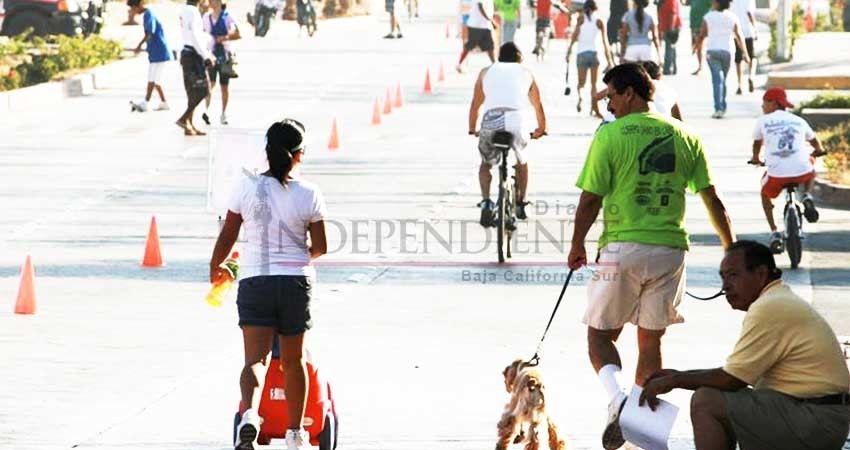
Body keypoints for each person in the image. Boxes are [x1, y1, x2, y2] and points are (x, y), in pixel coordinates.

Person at [566, 63, 735, 450]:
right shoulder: (685, 134)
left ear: (629, 93)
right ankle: (640, 422)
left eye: (610, 96)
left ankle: (617, 398)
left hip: (622, 248)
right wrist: (731, 250)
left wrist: (577, 244)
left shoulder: (609, 136)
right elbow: (712, 199)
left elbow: (590, 198)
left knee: (599, 335)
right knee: (651, 340)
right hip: (670, 251)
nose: (607, 105)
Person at [640, 240, 850, 450]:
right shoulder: (777, 299)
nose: (725, 287)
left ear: (760, 273)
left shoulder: (770, 307)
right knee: (727, 400)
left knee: (706, 401)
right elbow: (734, 375)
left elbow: (731, 380)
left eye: (733, 275)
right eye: (723, 277)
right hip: (817, 415)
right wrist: (677, 375)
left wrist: (675, 380)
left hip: (816, 420)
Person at [210, 119, 328, 450]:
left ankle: (249, 414)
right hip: (294, 283)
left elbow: (228, 234)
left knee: (255, 361)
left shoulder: (245, 187)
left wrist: (215, 268)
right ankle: (295, 434)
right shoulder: (309, 193)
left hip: (255, 280)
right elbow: (320, 247)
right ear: (299, 155)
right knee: (293, 362)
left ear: (267, 152)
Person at [468, 42, 547, 225]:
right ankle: (521, 202)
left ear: (499, 58)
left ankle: (487, 202)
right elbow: (537, 104)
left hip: (491, 120)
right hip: (516, 120)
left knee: (486, 163)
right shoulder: (526, 72)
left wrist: (473, 128)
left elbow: (476, 104)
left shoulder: (486, 72)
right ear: (519, 58)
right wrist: (541, 128)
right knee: (522, 160)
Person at [749, 87, 827, 252]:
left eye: (764, 102)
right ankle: (807, 196)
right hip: (802, 172)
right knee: (811, 164)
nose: (762, 106)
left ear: (773, 103)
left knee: (764, 193)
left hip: (776, 175)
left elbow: (757, 143)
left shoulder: (763, 121)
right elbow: (814, 141)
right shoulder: (798, 120)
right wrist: (819, 150)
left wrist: (756, 158)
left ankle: (774, 232)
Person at [697, 0, 749, 118]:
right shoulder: (732, 17)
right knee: (722, 80)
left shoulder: (708, 17)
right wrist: (745, 53)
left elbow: (702, 35)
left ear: (717, 3)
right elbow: (739, 36)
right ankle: (722, 106)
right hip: (727, 52)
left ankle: (718, 108)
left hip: (712, 52)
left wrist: (696, 47)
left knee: (717, 80)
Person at [566, 0, 614, 117]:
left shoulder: (580, 19)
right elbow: (605, 42)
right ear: (596, 9)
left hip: (581, 54)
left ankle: (581, 97)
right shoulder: (599, 21)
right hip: (594, 54)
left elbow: (575, 35)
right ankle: (594, 108)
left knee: (581, 83)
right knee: (594, 84)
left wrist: (569, 51)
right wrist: (610, 61)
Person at [177, 0, 214, 136]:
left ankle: (189, 125)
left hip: (187, 52)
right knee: (205, 89)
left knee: (192, 91)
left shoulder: (185, 10)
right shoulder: (193, 11)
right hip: (194, 54)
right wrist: (206, 56)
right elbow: (195, 35)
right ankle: (184, 118)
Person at [129, 0, 172, 113]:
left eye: (133, 9)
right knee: (156, 79)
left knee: (151, 77)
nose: (132, 12)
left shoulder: (149, 14)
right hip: (156, 50)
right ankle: (164, 102)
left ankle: (145, 102)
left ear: (137, 6)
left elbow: (149, 33)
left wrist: (139, 45)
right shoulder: (147, 14)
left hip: (158, 50)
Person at [202, 0, 240, 126]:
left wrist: (224, 38)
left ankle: (224, 113)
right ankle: (206, 111)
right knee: (210, 84)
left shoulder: (227, 16)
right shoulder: (206, 17)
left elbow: (238, 33)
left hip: (225, 54)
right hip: (211, 54)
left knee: (224, 86)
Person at [457, 0, 498, 72]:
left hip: (485, 25)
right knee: (470, 45)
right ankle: (460, 64)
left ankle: (494, 65)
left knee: (490, 46)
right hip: (476, 25)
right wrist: (490, 20)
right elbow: (480, 6)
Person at [730, 0, 756, 94]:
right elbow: (749, 13)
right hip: (748, 31)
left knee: (738, 59)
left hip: (737, 32)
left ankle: (739, 84)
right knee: (752, 56)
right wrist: (755, 28)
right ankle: (751, 76)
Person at [685, 0, 710, 74]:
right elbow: (686, 3)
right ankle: (700, 66)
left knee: (703, 46)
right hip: (694, 24)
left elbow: (715, 5)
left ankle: (708, 64)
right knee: (698, 47)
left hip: (705, 24)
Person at [656, 0, 681, 75]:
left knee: (669, 48)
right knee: (671, 48)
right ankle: (672, 67)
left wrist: (671, 29)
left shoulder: (670, 1)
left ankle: (668, 68)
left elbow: (673, 14)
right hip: (666, 27)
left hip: (671, 27)